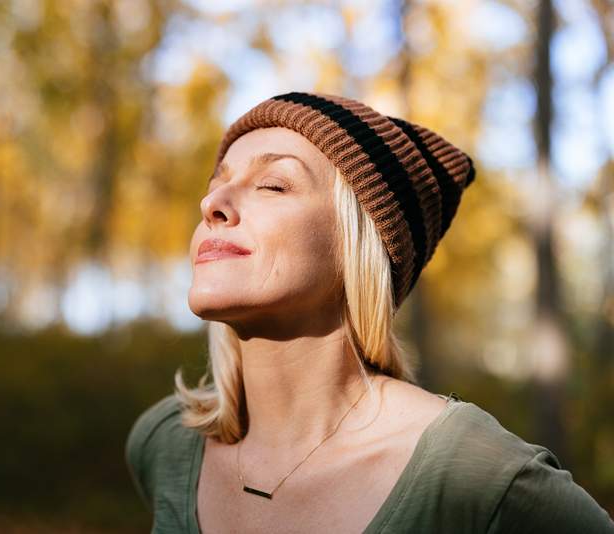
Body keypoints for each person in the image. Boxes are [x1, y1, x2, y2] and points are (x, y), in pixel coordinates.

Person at [124, 91, 614, 533]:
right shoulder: (167, 442)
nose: (213, 202)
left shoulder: (476, 474)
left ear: (358, 245)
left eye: (273, 185)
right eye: (217, 183)